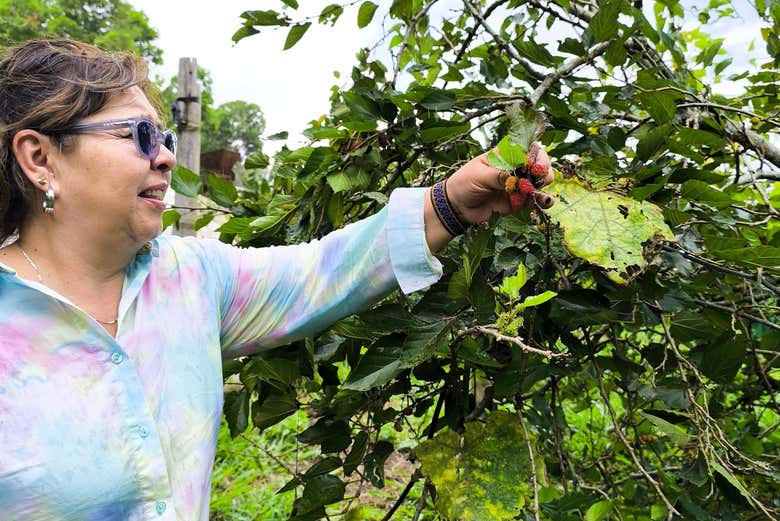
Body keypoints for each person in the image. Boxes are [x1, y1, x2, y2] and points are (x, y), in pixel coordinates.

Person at [0, 39, 555, 520]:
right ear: (39, 157)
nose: (166, 158)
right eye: (140, 135)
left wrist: (451, 202)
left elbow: (325, 271)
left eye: (166, 138)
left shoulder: (188, 278)